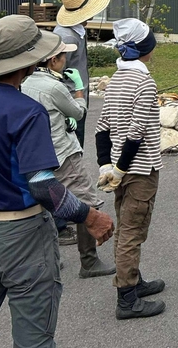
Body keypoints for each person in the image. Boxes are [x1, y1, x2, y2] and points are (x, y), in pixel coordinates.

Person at [0, 15, 114, 348]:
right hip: (23, 238)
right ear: (28, 64)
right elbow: (42, 184)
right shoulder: (26, 111)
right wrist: (91, 216)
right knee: (34, 341)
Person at [22, 41, 117, 279]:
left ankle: (46, 260)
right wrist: (78, 88)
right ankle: (89, 262)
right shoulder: (54, 87)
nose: (66, 60)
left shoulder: (25, 82)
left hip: (38, 152)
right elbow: (79, 112)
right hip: (62, 152)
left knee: (44, 204)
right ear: (53, 61)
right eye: (63, 56)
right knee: (86, 200)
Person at [95, 18, 166, 319]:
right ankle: (127, 299)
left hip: (119, 168)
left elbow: (102, 127)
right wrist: (122, 169)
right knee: (131, 232)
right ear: (146, 48)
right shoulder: (144, 82)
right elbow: (137, 132)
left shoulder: (116, 79)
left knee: (126, 227)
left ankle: (133, 280)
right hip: (139, 169)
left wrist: (106, 166)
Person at [54, 0, 111, 149]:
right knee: (73, 146)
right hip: (71, 102)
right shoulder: (67, 37)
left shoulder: (77, 31)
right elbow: (56, 72)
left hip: (79, 98)